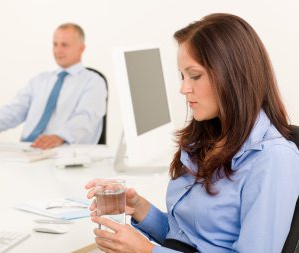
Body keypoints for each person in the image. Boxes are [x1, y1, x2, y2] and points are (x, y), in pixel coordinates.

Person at [85, 13, 299, 253]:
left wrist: (146, 251)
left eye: (195, 76)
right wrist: (142, 209)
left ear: (233, 75)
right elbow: (188, 239)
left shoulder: (273, 159)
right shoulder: (209, 138)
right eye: (182, 76)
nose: (184, 89)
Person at [0, 23, 107, 149]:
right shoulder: (39, 81)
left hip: (64, 152)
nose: (58, 50)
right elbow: (13, 111)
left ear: (81, 48)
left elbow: (86, 118)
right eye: (55, 44)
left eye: (64, 45)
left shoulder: (94, 82)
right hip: (28, 150)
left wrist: (59, 137)